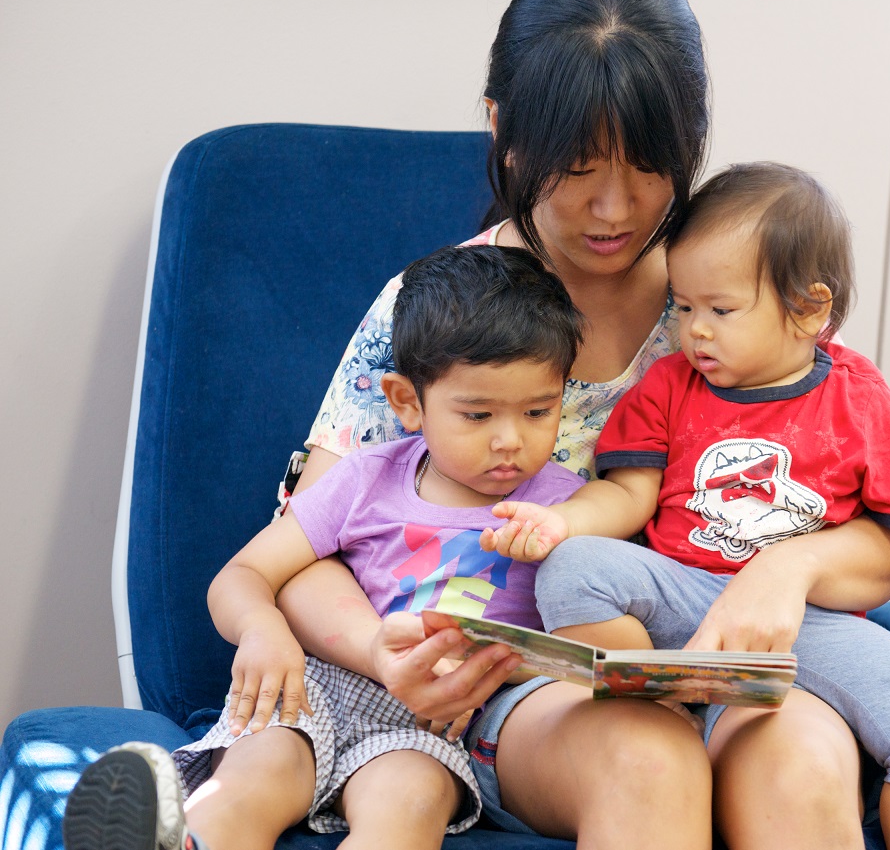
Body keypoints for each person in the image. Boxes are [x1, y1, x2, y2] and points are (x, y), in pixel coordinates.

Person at [276, 0, 890, 847]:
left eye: (650, 167)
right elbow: (304, 544)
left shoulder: (731, 302)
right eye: (576, 170)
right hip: (536, 694)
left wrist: (787, 567)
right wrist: (377, 651)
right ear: (504, 129)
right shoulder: (435, 315)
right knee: (646, 755)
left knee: (806, 763)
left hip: (729, 663)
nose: (614, 210)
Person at [481, 162, 890, 850]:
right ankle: (659, 697)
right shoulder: (672, 384)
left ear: (810, 309)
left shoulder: (857, 397)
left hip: (802, 623)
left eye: (720, 310)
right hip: (681, 595)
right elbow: (629, 493)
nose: (694, 330)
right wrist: (561, 522)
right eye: (684, 306)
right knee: (573, 568)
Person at [64, 245, 589, 850]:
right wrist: (263, 629)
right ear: (407, 402)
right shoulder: (367, 478)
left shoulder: (564, 510)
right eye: (476, 415)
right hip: (315, 684)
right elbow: (242, 574)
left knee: (407, 803)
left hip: (434, 721)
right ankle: (185, 840)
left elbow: (589, 634)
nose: (509, 440)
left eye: (537, 411)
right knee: (256, 775)